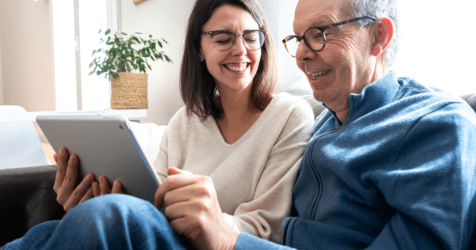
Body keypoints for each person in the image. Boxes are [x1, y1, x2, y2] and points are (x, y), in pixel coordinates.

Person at [5, 0, 476, 249]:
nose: (304, 52)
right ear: (200, 51)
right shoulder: (327, 124)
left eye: (322, 32)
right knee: (81, 220)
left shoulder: (436, 121)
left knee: (113, 218)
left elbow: (265, 228)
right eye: (298, 36)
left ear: (379, 37)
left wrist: (227, 236)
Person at [3, 0, 314, 249]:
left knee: (106, 215)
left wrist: (207, 220)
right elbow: (150, 200)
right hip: (158, 233)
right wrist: (85, 202)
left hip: (208, 245)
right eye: (223, 39)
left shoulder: (290, 115)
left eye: (251, 37)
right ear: (199, 51)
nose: (240, 49)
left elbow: (267, 228)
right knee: (52, 227)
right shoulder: (185, 121)